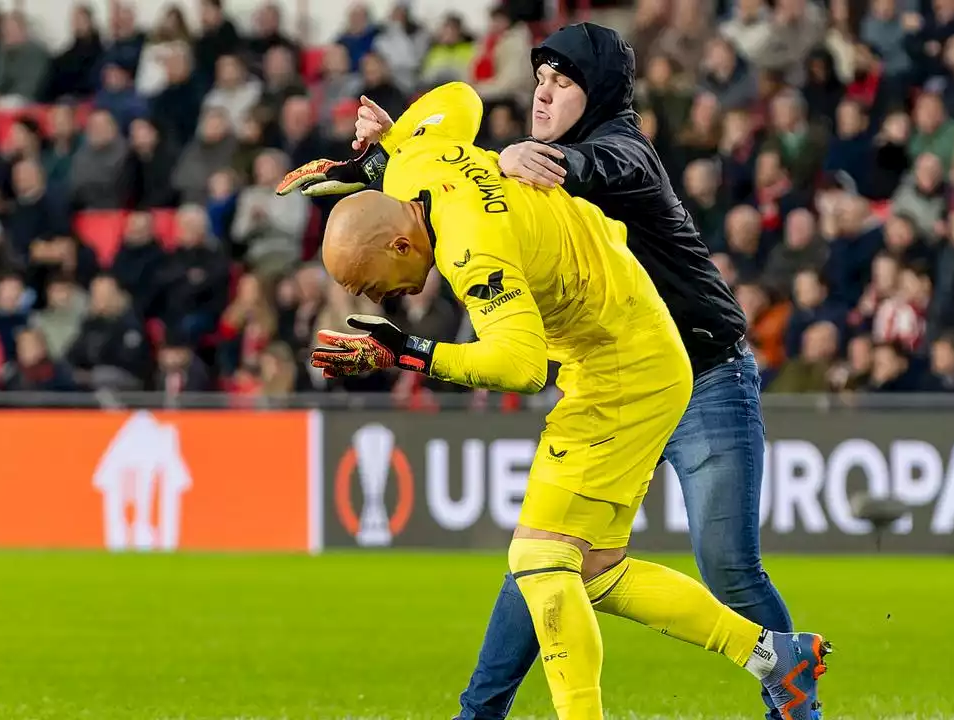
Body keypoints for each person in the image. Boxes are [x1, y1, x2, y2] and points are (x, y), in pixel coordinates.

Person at [277, 23, 812, 720]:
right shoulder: (446, 173)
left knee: (707, 567)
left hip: (698, 372)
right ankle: (485, 711)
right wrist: (383, 151)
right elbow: (455, 104)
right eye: (538, 80)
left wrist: (406, 352)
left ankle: (788, 691)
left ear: (597, 96)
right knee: (567, 563)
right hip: (618, 361)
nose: (542, 94)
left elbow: (522, 359)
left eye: (562, 84)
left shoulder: (618, 152)